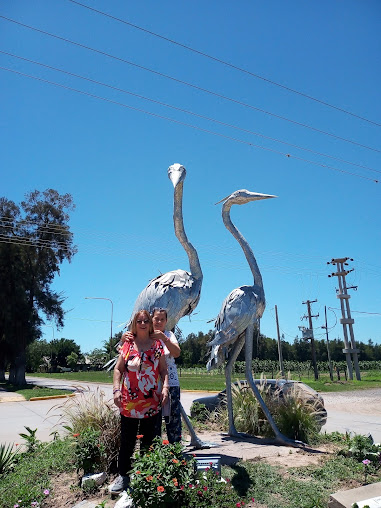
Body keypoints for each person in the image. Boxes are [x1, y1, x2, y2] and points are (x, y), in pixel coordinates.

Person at [110, 309, 169, 494]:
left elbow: (163, 371)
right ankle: (124, 476)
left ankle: (147, 477)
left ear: (150, 323)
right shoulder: (128, 344)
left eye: (145, 321)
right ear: (134, 324)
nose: (142, 324)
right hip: (129, 403)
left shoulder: (157, 345)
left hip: (151, 403)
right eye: (139, 321)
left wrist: (165, 388)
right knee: (127, 441)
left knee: (149, 443)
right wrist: (116, 389)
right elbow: (118, 370)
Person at [122, 308, 182, 444]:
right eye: (156, 318)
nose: (159, 322)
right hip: (150, 386)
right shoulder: (143, 336)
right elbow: (124, 353)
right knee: (153, 423)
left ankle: (175, 453)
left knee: (173, 419)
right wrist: (123, 338)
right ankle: (154, 454)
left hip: (170, 383)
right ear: (151, 319)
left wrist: (164, 339)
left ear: (167, 321)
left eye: (162, 319)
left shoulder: (169, 335)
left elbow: (177, 353)